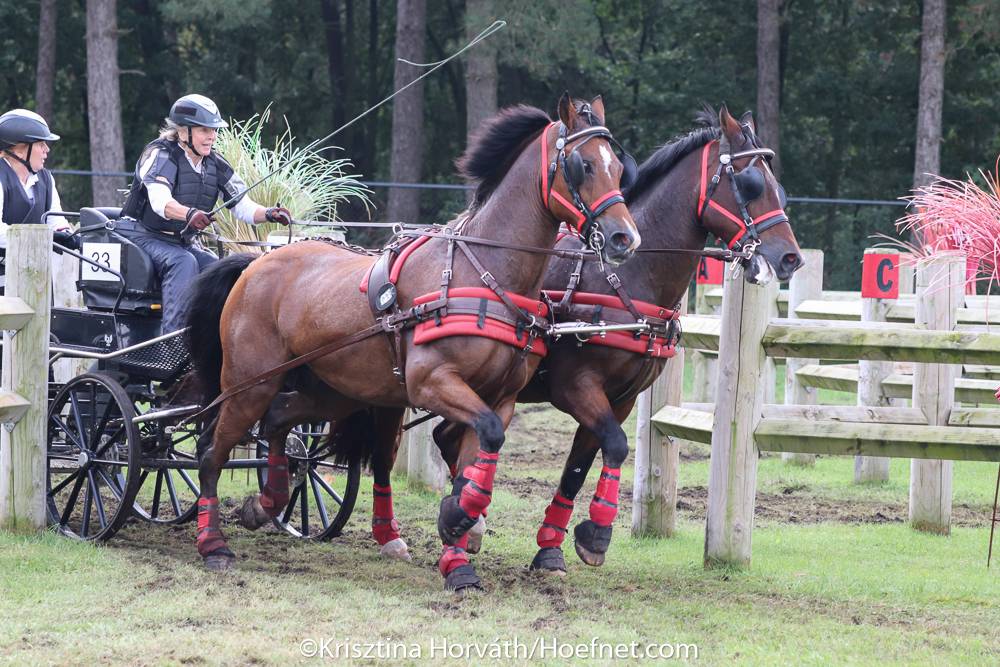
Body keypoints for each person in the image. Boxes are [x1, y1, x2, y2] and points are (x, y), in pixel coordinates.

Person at [120, 94, 292, 332]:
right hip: (144, 236)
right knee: (183, 262)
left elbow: (242, 206)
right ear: (183, 132)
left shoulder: (215, 163)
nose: (212, 136)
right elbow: (161, 202)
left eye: (214, 130)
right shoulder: (161, 154)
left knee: (219, 270)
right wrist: (189, 214)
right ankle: (172, 341)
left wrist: (270, 213)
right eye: (204, 130)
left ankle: (212, 338)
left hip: (181, 242)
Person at [0, 109, 74, 293]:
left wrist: (68, 236)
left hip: (34, 279)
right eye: (41, 144)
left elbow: (56, 221)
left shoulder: (46, 179)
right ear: (20, 149)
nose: (47, 150)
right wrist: (45, 238)